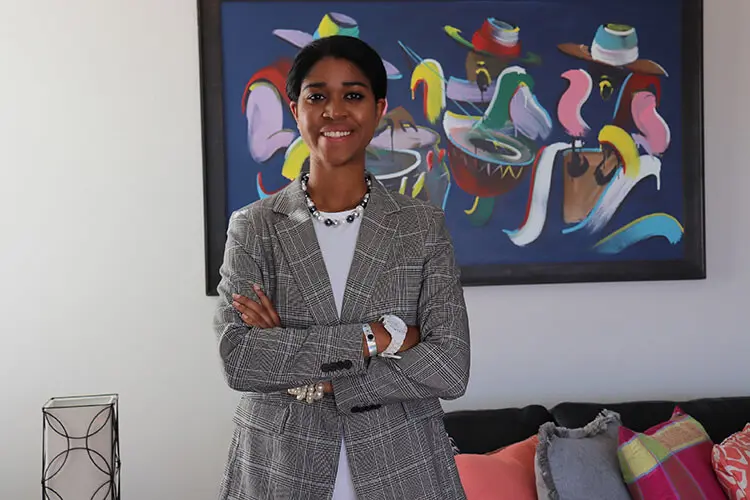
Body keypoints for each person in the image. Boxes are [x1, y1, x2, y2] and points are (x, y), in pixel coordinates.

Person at [213, 34, 471, 500]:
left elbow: (449, 368)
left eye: (352, 95)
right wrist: (380, 336)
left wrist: (314, 374)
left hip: (404, 467)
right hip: (279, 470)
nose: (335, 111)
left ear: (377, 108)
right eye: (317, 96)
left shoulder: (422, 227)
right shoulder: (254, 227)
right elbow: (242, 359)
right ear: (296, 110)